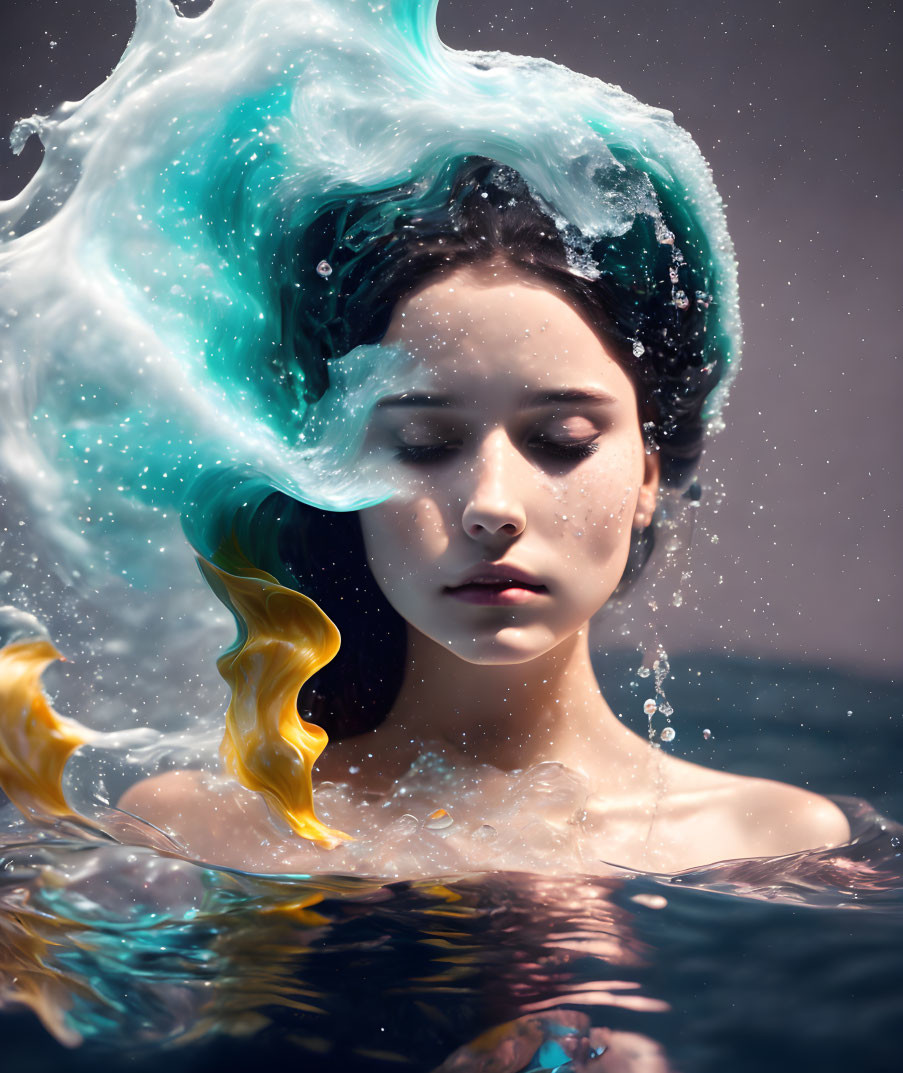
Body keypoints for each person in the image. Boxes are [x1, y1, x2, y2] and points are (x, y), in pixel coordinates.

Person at [120, 158, 851, 874]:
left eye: (560, 441)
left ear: (646, 478)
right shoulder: (195, 830)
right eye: (424, 444)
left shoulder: (772, 842)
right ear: (333, 475)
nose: (491, 506)